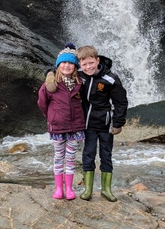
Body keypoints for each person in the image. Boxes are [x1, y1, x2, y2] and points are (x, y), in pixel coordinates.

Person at [76, 45, 128, 202]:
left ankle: (106, 189)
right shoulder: (79, 76)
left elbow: (121, 102)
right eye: (84, 64)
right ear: (79, 65)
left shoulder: (110, 78)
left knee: (106, 155)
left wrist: (118, 123)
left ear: (97, 60)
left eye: (91, 63)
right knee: (88, 154)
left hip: (106, 125)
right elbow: (59, 71)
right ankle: (88, 189)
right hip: (88, 125)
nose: (88, 67)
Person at [37, 47, 85, 200]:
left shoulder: (79, 83)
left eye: (70, 63)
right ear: (58, 65)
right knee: (59, 157)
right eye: (63, 62)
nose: (66, 65)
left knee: (71, 158)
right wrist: (51, 116)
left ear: (75, 67)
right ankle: (59, 189)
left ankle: (69, 189)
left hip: (75, 128)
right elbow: (42, 103)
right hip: (57, 127)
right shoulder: (50, 85)